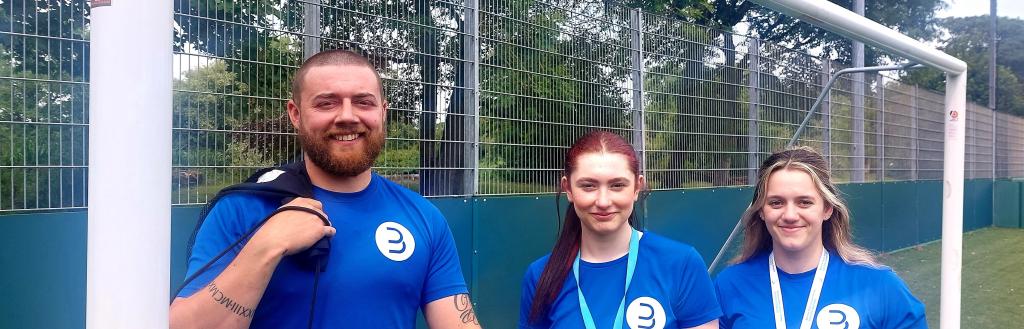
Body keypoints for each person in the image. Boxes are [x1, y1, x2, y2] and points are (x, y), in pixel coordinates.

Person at [169, 49, 481, 329]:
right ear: (296, 114)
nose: (347, 116)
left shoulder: (424, 217)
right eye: (326, 103)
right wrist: (265, 247)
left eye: (363, 102)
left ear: (382, 113)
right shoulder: (242, 209)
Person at [519, 130, 722, 329]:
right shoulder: (540, 275)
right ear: (569, 189)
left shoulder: (681, 264)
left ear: (636, 187)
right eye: (588, 186)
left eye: (617, 185)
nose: (604, 201)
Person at [714, 147, 926, 329]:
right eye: (776, 202)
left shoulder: (879, 285)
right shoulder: (729, 285)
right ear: (761, 211)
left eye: (804, 202)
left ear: (827, 209)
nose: (789, 215)